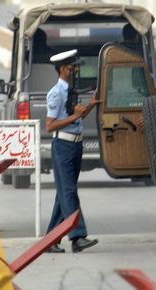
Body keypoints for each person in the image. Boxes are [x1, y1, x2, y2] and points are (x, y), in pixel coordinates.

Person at [45, 49, 101, 253]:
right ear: (62, 70)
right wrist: (74, 116)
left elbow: (76, 118)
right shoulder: (56, 93)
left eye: (76, 66)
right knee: (68, 191)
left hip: (76, 145)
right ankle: (77, 236)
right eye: (71, 67)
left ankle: (50, 241)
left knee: (64, 193)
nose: (76, 70)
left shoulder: (71, 90)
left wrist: (89, 107)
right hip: (63, 146)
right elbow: (50, 126)